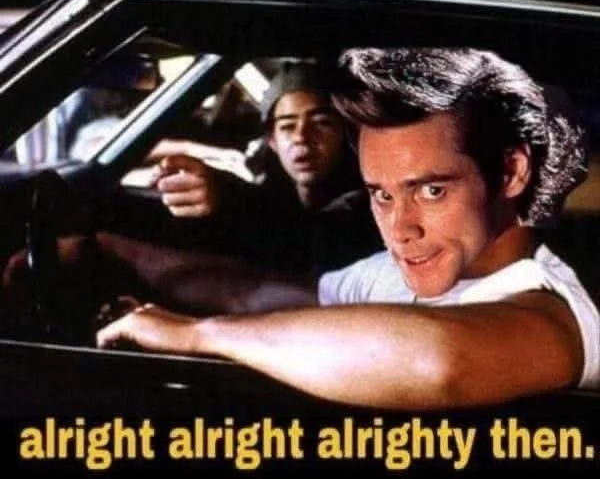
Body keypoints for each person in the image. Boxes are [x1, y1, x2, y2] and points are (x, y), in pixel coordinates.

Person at [58, 47, 600, 409]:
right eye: (381, 195)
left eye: (431, 191)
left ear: (510, 173)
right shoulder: (398, 271)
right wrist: (116, 251)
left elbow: (440, 361)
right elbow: (261, 293)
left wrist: (198, 335)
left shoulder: (551, 310)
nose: (400, 228)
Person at [147, 60, 382, 273]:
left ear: (345, 132)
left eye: (321, 123)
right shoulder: (274, 196)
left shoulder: (373, 200)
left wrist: (227, 196)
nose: (301, 137)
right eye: (287, 126)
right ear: (272, 140)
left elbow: (311, 237)